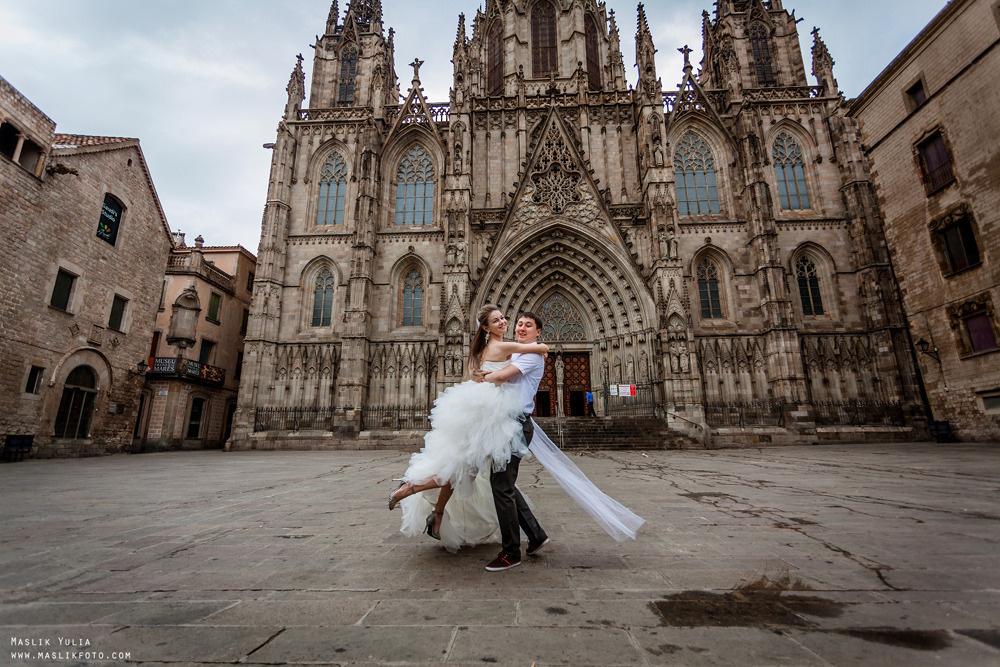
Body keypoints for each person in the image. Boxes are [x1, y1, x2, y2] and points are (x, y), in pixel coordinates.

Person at [387, 305, 549, 549]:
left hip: (485, 410)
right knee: (470, 470)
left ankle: (437, 514)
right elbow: (534, 351)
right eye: (497, 321)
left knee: (470, 470)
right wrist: (542, 347)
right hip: (490, 414)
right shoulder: (505, 347)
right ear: (485, 327)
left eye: (504, 318)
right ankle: (410, 488)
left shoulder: (491, 347)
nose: (505, 322)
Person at [478, 312, 551, 571]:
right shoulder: (523, 351)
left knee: (501, 485)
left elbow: (499, 377)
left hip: (516, 425)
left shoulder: (530, 354)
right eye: (519, 323)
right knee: (504, 483)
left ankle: (511, 552)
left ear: (538, 331)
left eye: (528, 325)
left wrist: (481, 376)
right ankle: (535, 535)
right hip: (507, 423)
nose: (521, 328)